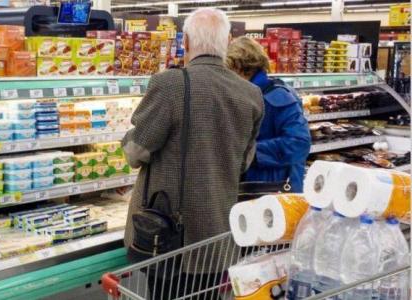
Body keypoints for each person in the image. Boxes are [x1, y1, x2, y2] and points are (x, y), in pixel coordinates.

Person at [122, 8, 264, 299]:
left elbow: (135, 152)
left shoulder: (170, 84)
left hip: (169, 237)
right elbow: (245, 162)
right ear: (227, 41)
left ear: (185, 41)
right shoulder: (251, 94)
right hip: (218, 235)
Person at [226, 36, 311, 195]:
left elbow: (300, 143)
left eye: (230, 70)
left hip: (275, 189)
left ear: (242, 68)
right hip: (256, 187)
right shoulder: (248, 94)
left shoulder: (277, 97)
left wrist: (252, 153)